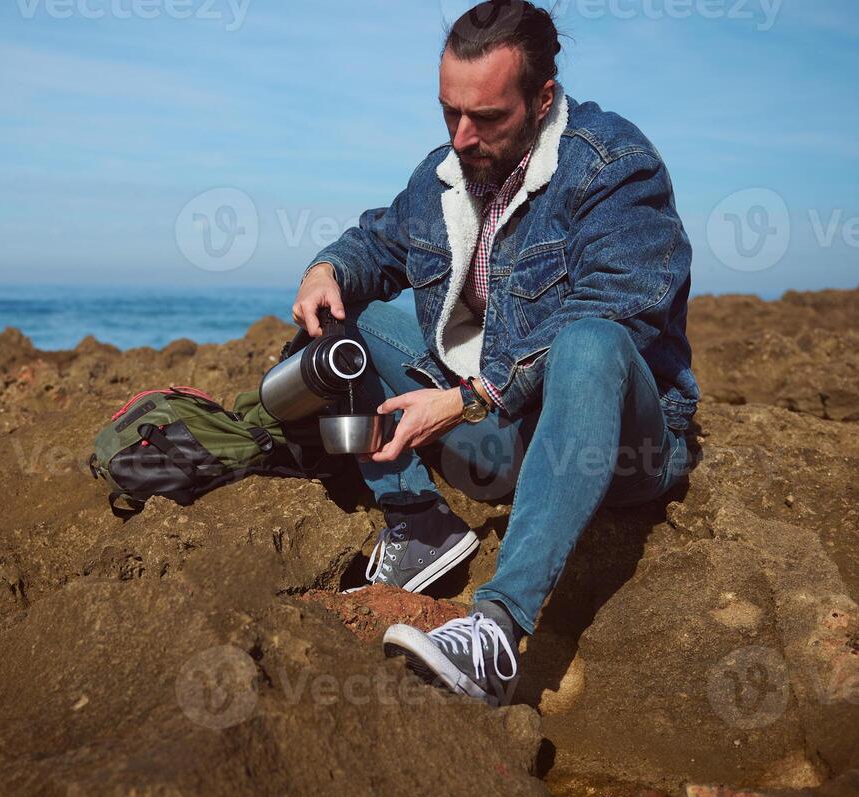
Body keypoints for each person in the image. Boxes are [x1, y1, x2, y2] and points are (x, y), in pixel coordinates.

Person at [291, 0, 698, 707]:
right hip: (502, 430)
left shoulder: (614, 168)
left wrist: (468, 397)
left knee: (590, 340)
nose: (462, 135)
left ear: (541, 99)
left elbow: (618, 311)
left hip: (619, 444)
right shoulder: (443, 172)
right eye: (448, 112)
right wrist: (326, 269)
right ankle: (417, 521)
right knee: (338, 321)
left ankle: (494, 634)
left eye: (486, 118)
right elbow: (376, 244)